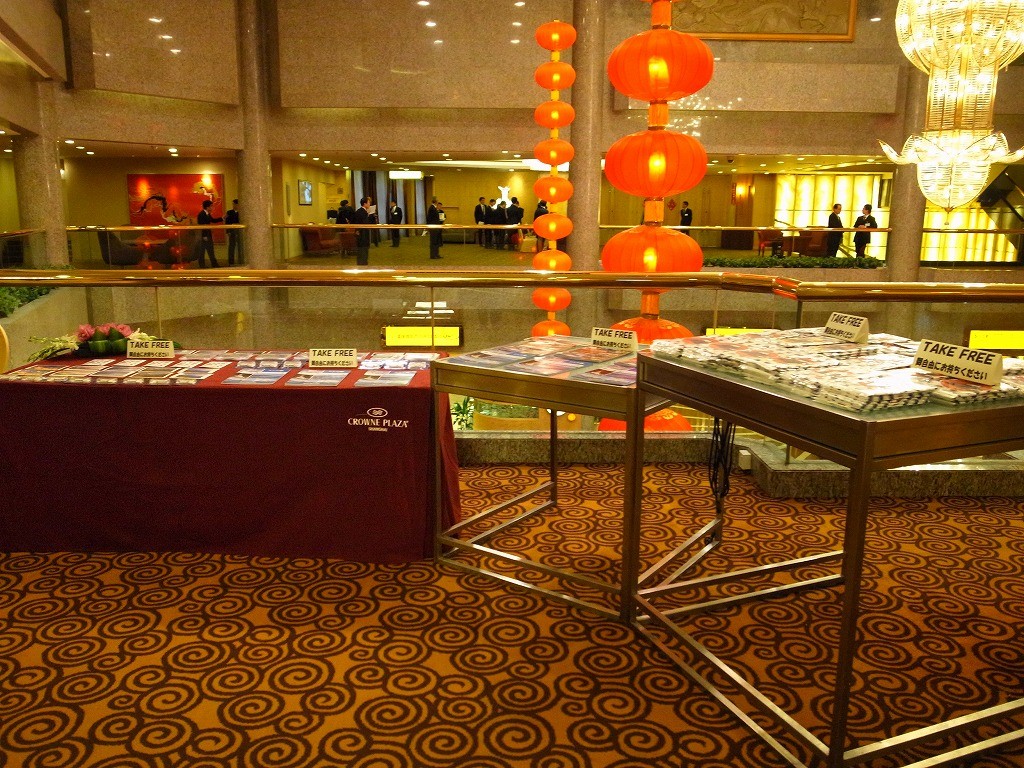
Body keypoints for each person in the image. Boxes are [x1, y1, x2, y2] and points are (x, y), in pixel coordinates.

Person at [196, 199, 223, 268]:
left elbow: (213, 220)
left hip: (208, 234)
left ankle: (214, 265)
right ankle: (202, 266)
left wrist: (222, 218)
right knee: (202, 251)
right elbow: (202, 226)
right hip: (203, 235)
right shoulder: (201, 214)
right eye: (211, 206)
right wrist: (204, 236)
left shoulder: (207, 214)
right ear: (207, 207)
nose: (212, 208)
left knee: (210, 250)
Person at [353, 196, 371, 265]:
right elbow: (363, 222)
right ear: (364, 204)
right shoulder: (361, 212)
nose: (369, 204)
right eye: (368, 202)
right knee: (362, 249)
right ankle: (362, 263)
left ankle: (363, 262)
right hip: (362, 233)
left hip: (363, 232)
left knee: (364, 249)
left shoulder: (362, 211)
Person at [225, 199, 242, 266]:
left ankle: (241, 261)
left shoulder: (241, 212)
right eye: (233, 204)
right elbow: (227, 222)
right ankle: (231, 262)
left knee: (240, 246)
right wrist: (228, 231)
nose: (234, 205)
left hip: (240, 231)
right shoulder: (229, 212)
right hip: (232, 231)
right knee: (232, 246)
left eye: (235, 204)